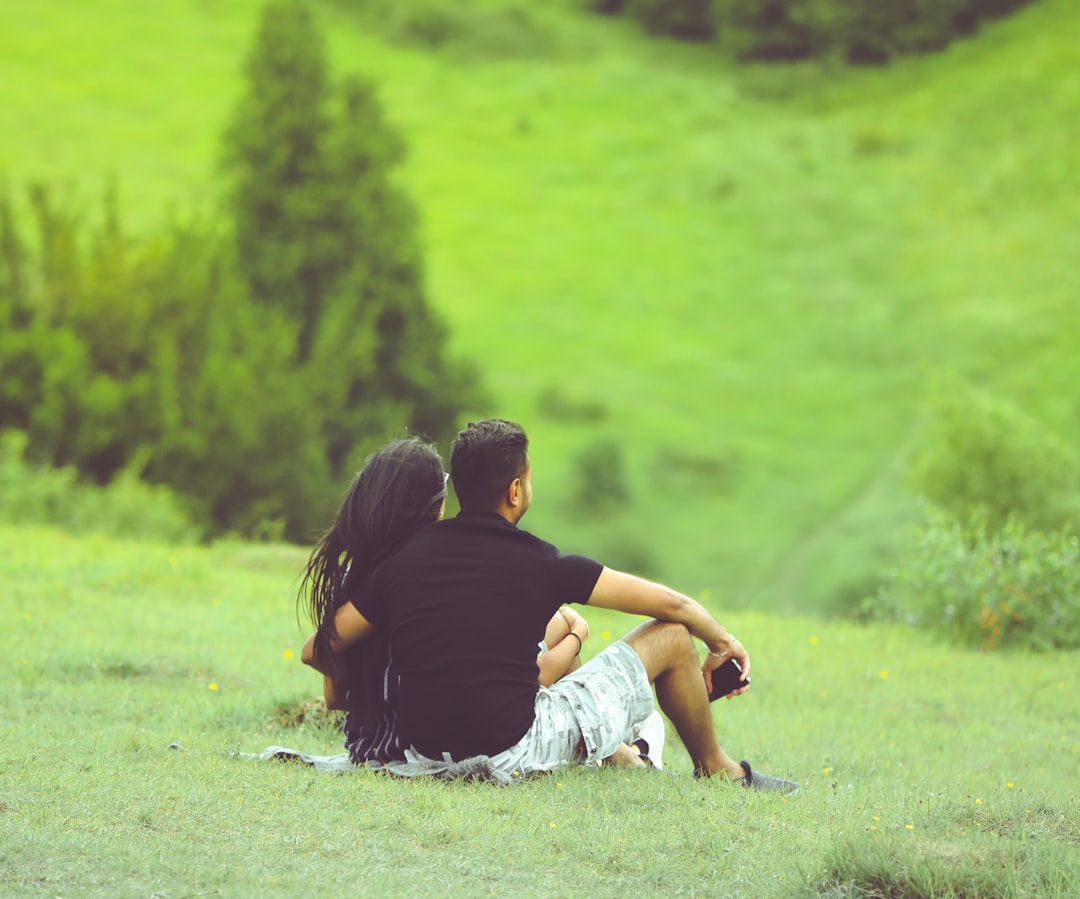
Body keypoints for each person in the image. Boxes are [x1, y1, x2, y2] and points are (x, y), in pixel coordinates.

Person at [304, 419, 797, 790]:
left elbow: (318, 649)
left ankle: (631, 753)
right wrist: (722, 641)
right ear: (516, 490)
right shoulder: (541, 561)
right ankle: (721, 771)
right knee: (669, 637)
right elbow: (672, 605)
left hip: (425, 751)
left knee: (566, 663)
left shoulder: (404, 561)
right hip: (512, 750)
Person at [299, 436, 659, 769]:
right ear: (427, 505)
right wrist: (577, 637)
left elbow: (332, 692)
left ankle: (619, 754)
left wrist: (365, 696)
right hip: (407, 744)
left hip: (368, 743)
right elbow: (515, 683)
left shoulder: (356, 576)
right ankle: (622, 755)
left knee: (557, 624)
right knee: (562, 626)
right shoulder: (411, 577)